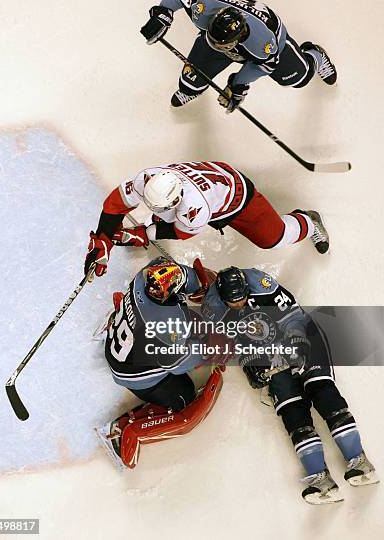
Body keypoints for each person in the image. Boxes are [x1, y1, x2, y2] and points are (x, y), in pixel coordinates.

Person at [201, 266, 379, 504]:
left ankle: (360, 462)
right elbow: (231, 344)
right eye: (233, 302)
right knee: (292, 412)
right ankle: (320, 480)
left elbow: (294, 317)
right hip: (268, 352)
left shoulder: (260, 283)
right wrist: (250, 367)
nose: (239, 303)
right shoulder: (212, 309)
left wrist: (296, 343)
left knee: (322, 392)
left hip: (302, 336)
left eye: (243, 297)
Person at [84, 160, 329, 278]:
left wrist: (143, 233)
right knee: (164, 220)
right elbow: (114, 204)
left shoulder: (194, 208)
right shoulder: (149, 179)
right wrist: (102, 239)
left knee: (273, 238)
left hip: (236, 198)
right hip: (211, 182)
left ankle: (308, 221)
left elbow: (181, 232)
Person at [94, 257, 224, 469]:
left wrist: (199, 284)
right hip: (131, 372)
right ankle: (123, 431)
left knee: (187, 323)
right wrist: (209, 352)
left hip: (122, 339)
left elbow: (182, 275)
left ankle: (115, 323)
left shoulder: (146, 274)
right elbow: (179, 364)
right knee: (184, 396)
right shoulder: (164, 323)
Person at [140, 0, 337, 109]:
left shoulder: (263, 46)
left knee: (298, 77)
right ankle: (193, 90)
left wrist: (238, 84)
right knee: (191, 81)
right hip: (237, 36)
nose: (215, 44)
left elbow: (264, 66)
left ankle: (315, 55)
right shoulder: (205, 10)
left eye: (221, 45)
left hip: (272, 42)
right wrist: (163, 14)